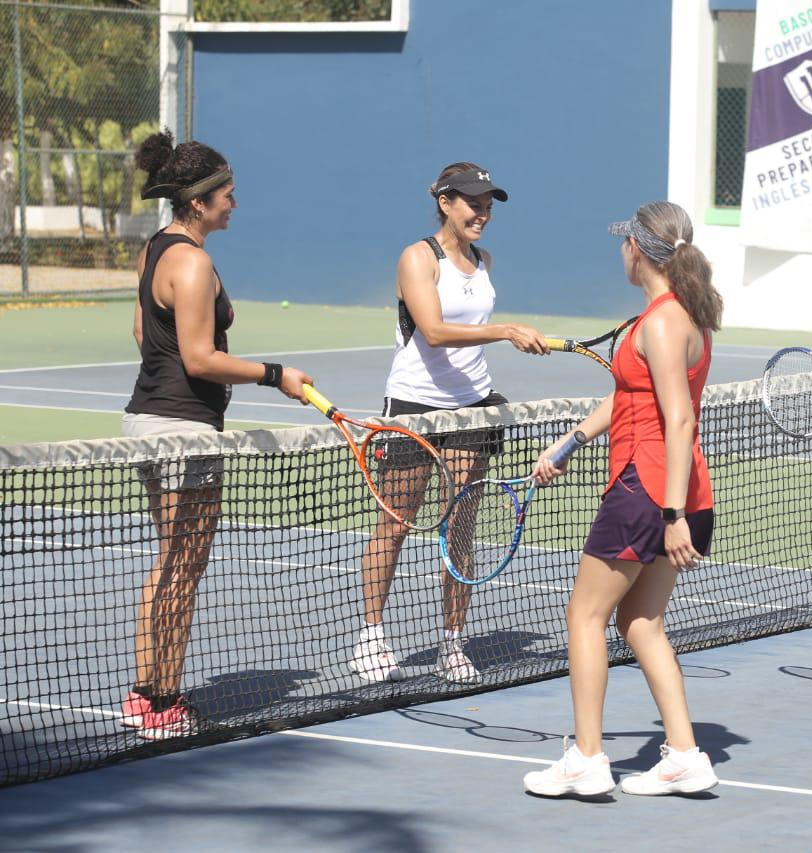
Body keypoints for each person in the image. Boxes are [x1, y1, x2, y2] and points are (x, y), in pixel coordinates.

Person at [521, 201, 723, 798]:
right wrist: (569, 442)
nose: (620, 251)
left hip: (649, 492)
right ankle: (684, 755)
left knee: (584, 616)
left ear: (638, 249)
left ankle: (586, 759)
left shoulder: (661, 323)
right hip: (675, 489)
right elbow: (633, 395)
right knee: (640, 623)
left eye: (624, 242)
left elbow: (679, 418)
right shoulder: (682, 316)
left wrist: (672, 515)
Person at [122, 129, 313, 741]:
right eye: (227, 193)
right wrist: (276, 375)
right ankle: (163, 702)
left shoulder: (157, 249)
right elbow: (200, 358)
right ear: (199, 201)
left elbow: (142, 334)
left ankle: (145, 694)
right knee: (184, 567)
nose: (234, 202)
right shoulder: (194, 262)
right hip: (184, 431)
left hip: (150, 420)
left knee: (171, 561)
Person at [349, 162, 549, 684]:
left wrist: (507, 336)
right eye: (472, 204)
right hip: (415, 408)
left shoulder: (483, 261)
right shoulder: (418, 258)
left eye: (487, 206)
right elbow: (434, 331)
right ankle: (371, 638)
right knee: (395, 524)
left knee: (460, 526)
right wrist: (505, 330)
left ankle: (452, 644)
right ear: (445, 202)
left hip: (472, 409)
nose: (482, 214)